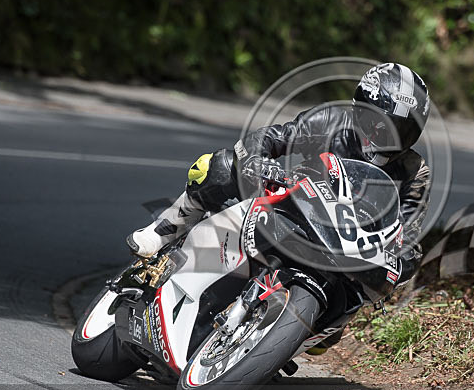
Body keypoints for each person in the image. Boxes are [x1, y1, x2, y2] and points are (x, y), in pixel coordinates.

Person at [127, 62, 431, 286]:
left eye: (404, 130)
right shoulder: (331, 120)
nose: (390, 138)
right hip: (288, 206)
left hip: (341, 249)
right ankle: (167, 226)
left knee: (330, 333)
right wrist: (257, 161)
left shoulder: (415, 172)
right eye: (382, 124)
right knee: (218, 167)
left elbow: (409, 234)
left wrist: (402, 262)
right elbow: (271, 138)